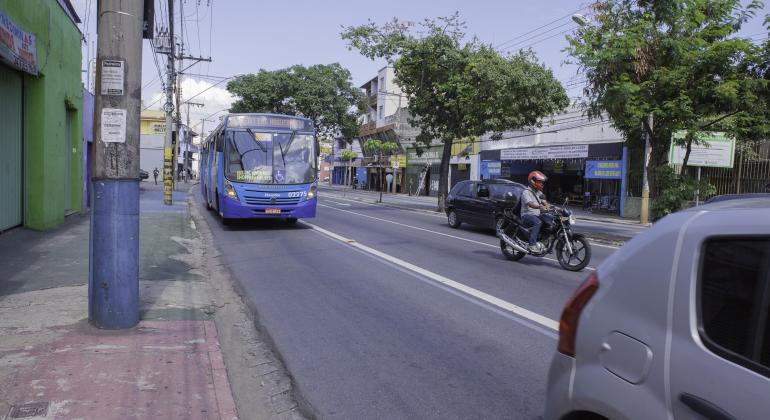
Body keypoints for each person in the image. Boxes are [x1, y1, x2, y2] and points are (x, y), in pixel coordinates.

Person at [520, 170, 550, 253]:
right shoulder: (526, 192)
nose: (542, 184)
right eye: (540, 182)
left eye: (542, 182)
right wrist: (540, 206)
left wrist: (551, 208)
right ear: (533, 181)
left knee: (550, 221)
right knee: (538, 222)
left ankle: (544, 241)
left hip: (536, 215)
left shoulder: (539, 193)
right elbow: (530, 204)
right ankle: (532, 245)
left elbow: (545, 203)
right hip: (526, 216)